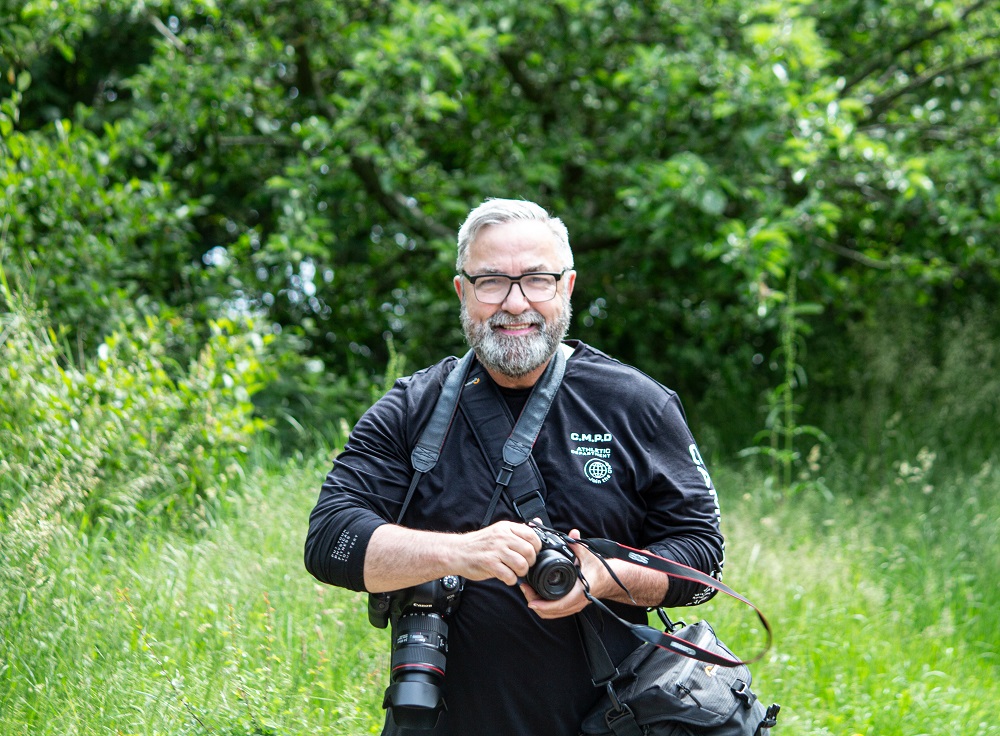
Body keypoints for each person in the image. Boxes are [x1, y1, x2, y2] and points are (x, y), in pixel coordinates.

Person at [304, 198, 725, 736]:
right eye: (491, 281)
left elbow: (701, 558)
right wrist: (460, 552)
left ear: (567, 288)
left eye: (537, 280)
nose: (515, 302)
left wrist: (605, 576)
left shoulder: (637, 404)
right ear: (463, 292)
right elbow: (329, 540)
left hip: (609, 720)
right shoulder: (413, 408)